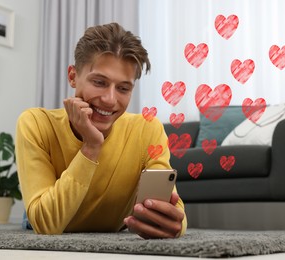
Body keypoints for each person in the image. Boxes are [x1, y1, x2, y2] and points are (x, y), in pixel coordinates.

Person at [15, 22, 187, 239]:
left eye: (123, 88)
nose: (110, 99)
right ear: (72, 76)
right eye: (99, 82)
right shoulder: (35, 123)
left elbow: (173, 208)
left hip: (114, 225)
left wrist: (175, 222)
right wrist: (91, 146)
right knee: (38, 212)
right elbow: (47, 224)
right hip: (48, 209)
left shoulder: (147, 129)